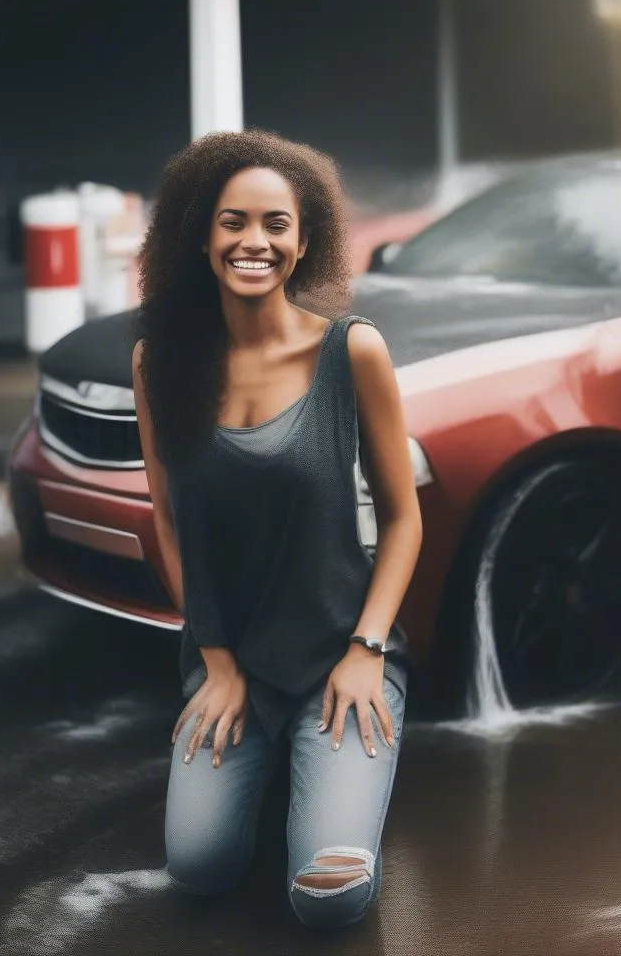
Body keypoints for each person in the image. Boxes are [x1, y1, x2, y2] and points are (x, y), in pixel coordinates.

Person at [131, 129, 423, 929]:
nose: (253, 241)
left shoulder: (351, 351)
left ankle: (336, 777)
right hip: (234, 665)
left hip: (343, 661)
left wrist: (366, 650)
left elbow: (402, 518)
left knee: (330, 901)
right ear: (200, 235)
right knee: (199, 868)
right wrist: (218, 662)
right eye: (232, 222)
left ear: (303, 243)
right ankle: (279, 779)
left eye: (274, 224)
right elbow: (166, 517)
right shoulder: (159, 363)